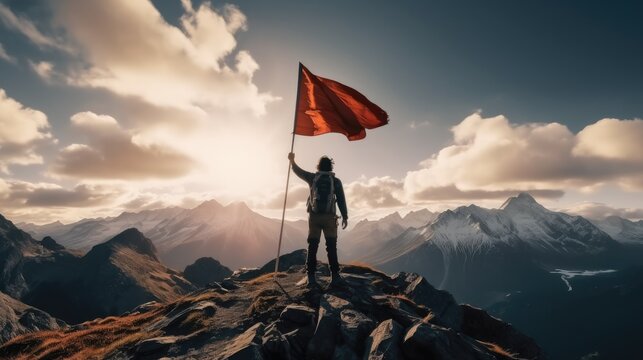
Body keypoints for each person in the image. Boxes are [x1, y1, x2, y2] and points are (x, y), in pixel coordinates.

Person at [288, 152, 348, 288]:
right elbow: (341, 200)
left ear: (319, 166)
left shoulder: (312, 178)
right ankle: (335, 276)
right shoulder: (335, 181)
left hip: (314, 217)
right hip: (330, 218)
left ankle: (311, 277)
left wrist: (292, 161)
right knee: (331, 247)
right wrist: (345, 216)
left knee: (313, 246)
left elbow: (298, 171)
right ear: (331, 167)